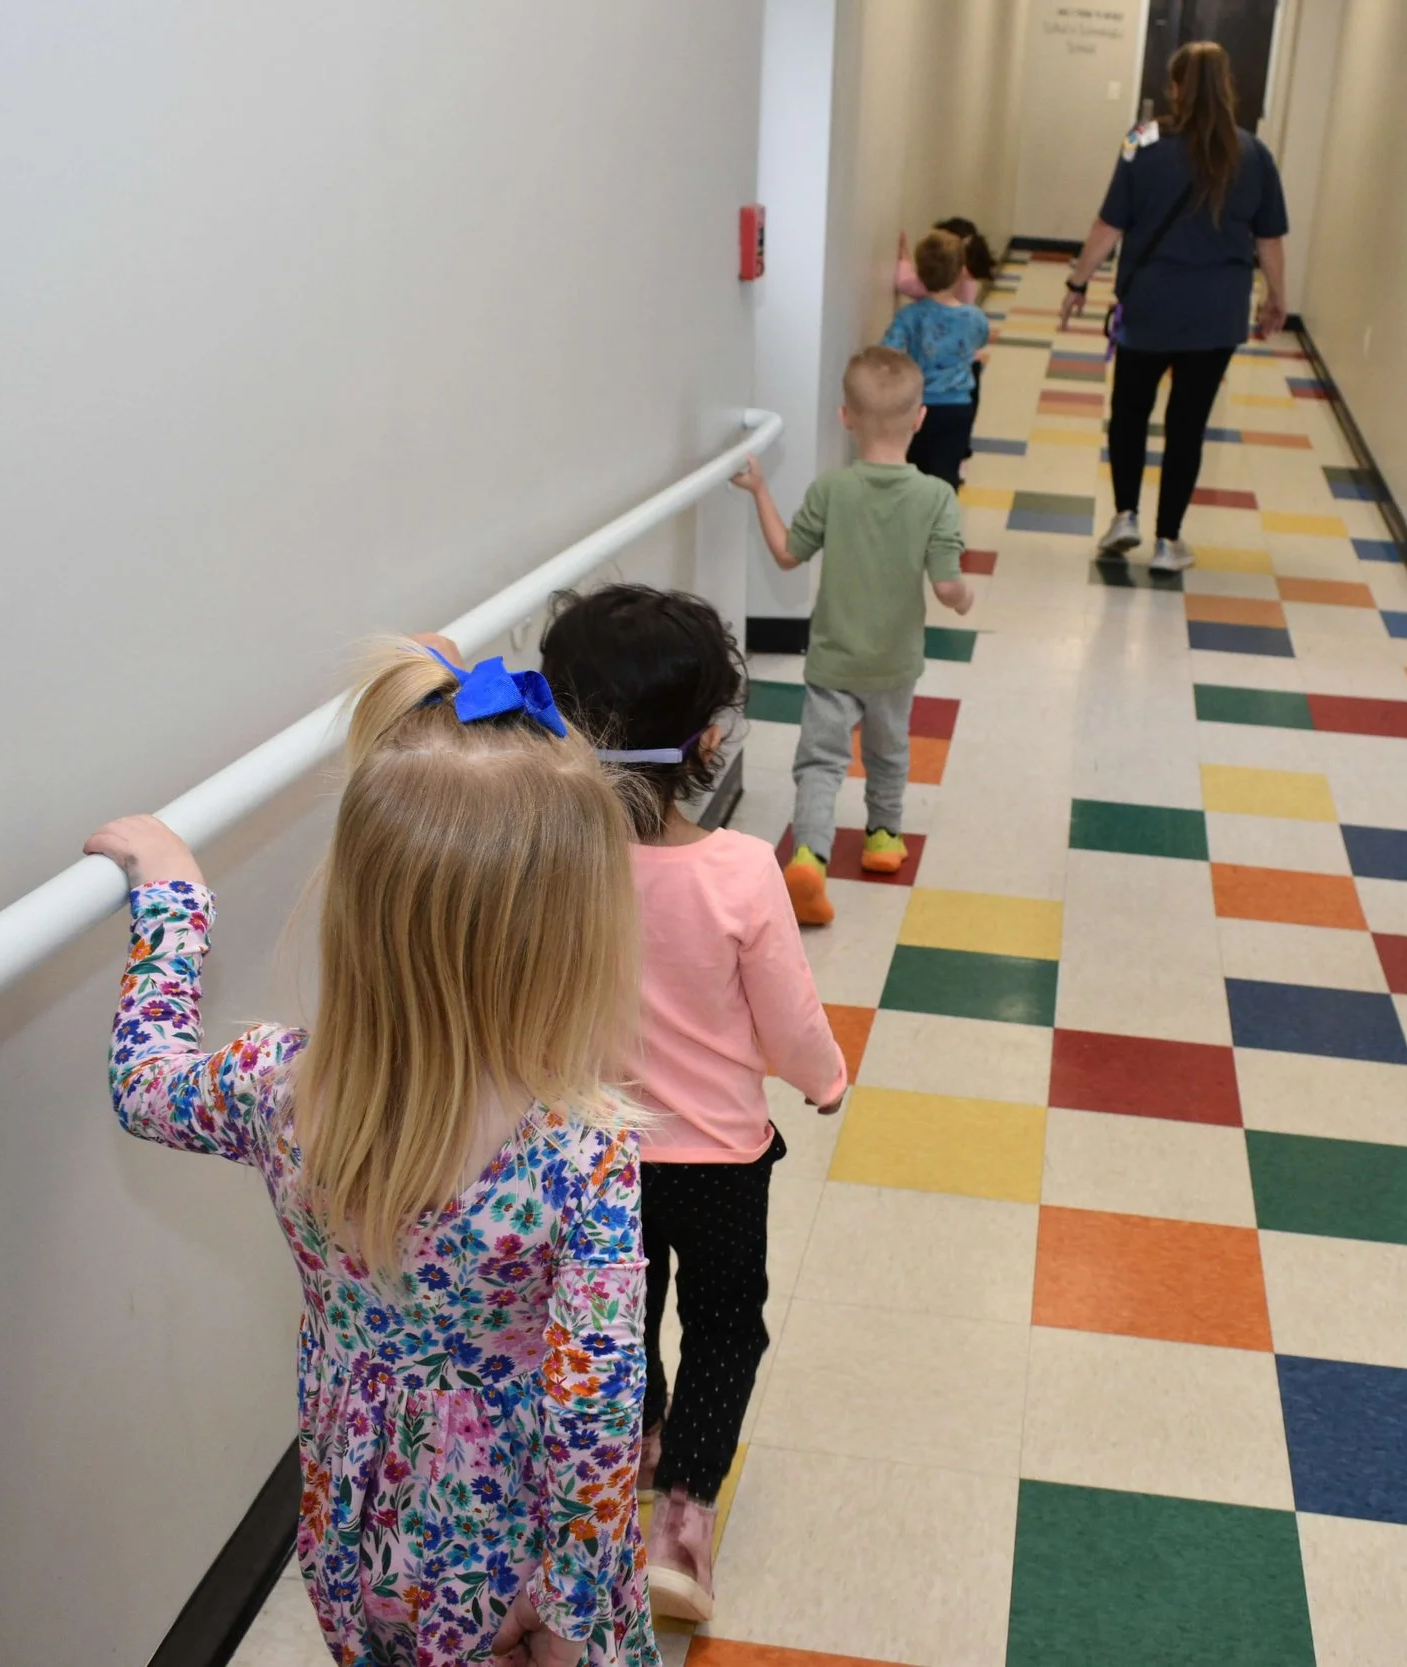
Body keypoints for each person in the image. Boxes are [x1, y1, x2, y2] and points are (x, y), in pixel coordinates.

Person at [85, 642, 657, 1667]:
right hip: (516, 1549)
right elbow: (596, 1399)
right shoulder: (580, 1150)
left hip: (364, 1522)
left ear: (358, 908)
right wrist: (571, 1613)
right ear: (575, 935)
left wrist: (172, 902)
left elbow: (145, 1082)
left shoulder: (280, 1088)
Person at [537, 583, 850, 1623]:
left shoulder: (553, 868)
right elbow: (788, 1016)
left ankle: (628, 1443)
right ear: (710, 737)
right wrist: (823, 1078)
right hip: (717, 1155)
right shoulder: (738, 872)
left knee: (617, 1315)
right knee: (724, 1324)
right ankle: (682, 1523)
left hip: (592, 1154)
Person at [730, 346, 974, 926]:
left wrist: (760, 490)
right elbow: (946, 587)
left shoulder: (831, 490)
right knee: (888, 754)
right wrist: (964, 598)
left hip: (833, 659)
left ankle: (810, 855)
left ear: (845, 416)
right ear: (921, 419)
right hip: (894, 661)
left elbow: (788, 554)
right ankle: (883, 840)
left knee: (819, 761)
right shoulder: (936, 496)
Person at [1057, 40, 1290, 573]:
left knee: (1131, 412)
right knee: (1188, 424)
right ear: (1228, 86)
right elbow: (1270, 239)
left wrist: (1077, 282)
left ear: (1176, 88)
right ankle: (1168, 541)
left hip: (1149, 305)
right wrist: (1277, 298)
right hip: (1217, 315)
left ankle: (1125, 516)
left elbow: (1108, 224)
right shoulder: (1253, 152)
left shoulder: (1143, 138)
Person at [881, 230, 991, 488]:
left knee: (915, 472)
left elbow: (888, 351)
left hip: (918, 409)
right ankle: (941, 522)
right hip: (958, 408)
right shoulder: (974, 318)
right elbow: (981, 340)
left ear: (920, 274)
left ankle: (915, 521)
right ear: (961, 272)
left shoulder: (909, 316)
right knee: (946, 474)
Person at [893, 217, 998, 428]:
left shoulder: (934, 293)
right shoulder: (967, 282)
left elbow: (905, 283)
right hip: (965, 376)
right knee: (959, 435)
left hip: (931, 387)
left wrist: (904, 258)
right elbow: (982, 336)